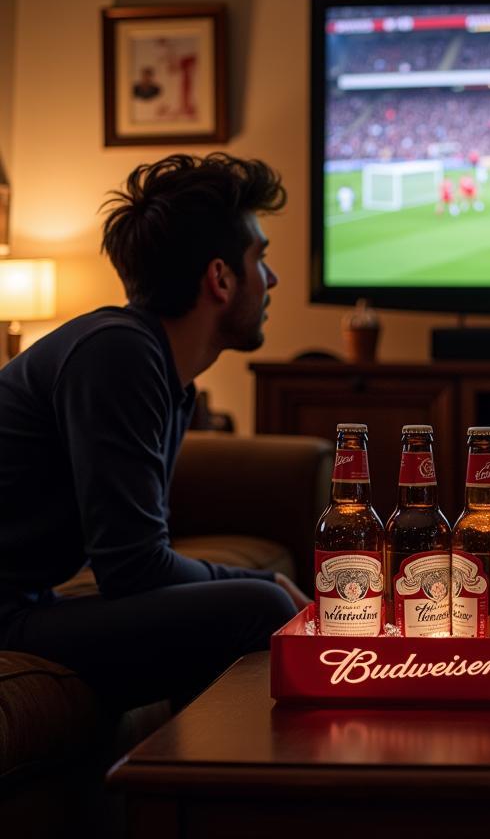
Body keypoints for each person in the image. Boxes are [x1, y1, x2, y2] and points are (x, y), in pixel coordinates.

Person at [0, 153, 306, 713]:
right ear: (220, 277)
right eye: (259, 259)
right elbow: (134, 567)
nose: (272, 278)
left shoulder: (163, 373)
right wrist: (255, 582)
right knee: (261, 606)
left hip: (25, 602)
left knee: (255, 602)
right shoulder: (118, 353)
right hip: (9, 615)